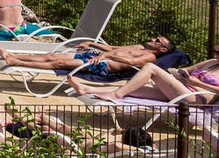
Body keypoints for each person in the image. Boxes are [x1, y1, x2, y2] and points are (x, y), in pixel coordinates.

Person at [68, 57, 219, 105]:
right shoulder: (211, 62)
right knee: (135, 88)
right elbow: (187, 69)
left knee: (150, 67)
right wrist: (183, 74)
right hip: (183, 88)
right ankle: (87, 89)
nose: (215, 54)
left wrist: (197, 84)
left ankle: (117, 95)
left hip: (197, 98)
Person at [0, 36, 174, 74]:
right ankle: (13, 55)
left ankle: (13, 60)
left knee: (58, 64)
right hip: (96, 58)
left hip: (102, 66)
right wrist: (91, 43)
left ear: (162, 50)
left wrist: (106, 58)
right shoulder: (139, 46)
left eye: (158, 40)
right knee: (51, 56)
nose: (153, 39)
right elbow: (111, 46)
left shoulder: (150, 57)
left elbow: (129, 61)